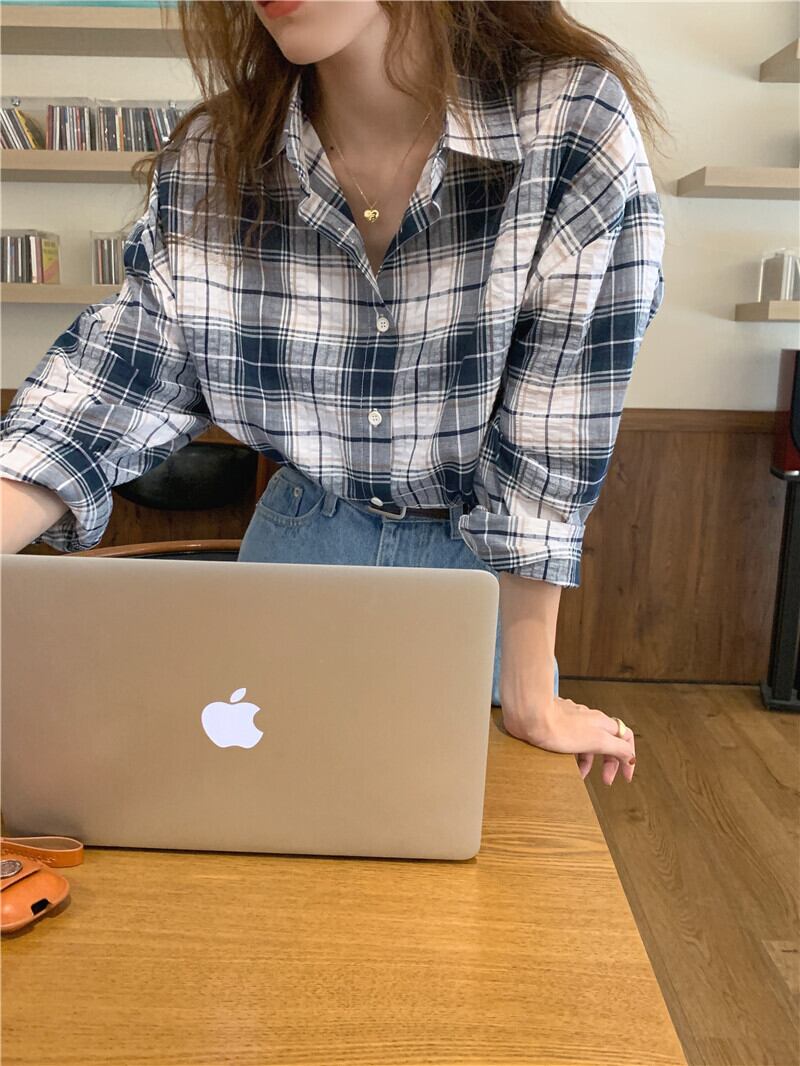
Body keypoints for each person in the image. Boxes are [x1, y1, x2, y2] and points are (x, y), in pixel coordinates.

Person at [0, 0, 666, 786]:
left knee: (470, 852)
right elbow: (112, 381)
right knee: (249, 827)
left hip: (481, 587)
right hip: (294, 553)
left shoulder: (571, 120)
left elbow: (556, 420)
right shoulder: (214, 153)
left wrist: (528, 694)